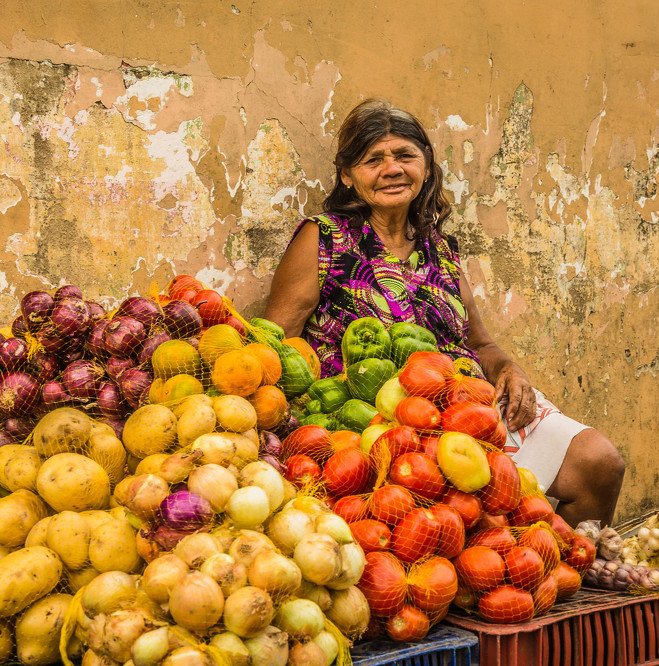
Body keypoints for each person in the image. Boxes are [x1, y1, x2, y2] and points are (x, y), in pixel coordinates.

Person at [263, 99, 624, 527]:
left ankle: (561, 560)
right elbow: (276, 344)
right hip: (375, 424)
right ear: (347, 175)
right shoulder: (323, 238)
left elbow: (479, 342)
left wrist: (509, 369)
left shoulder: (439, 247)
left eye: (404, 155)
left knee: (599, 463)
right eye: (373, 160)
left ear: (426, 165)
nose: (392, 169)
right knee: (467, 528)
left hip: (466, 405)